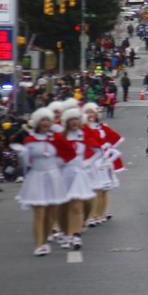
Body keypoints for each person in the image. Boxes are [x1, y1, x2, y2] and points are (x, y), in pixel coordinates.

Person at [12, 108, 75, 256]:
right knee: (39, 212)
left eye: (48, 120)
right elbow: (26, 163)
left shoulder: (56, 138)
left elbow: (69, 153)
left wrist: (59, 163)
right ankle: (39, 244)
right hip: (36, 177)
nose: (45, 123)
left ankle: (46, 240)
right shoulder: (30, 140)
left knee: (50, 213)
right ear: (37, 123)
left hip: (53, 177)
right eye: (42, 120)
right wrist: (22, 155)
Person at [59, 107, 97, 250]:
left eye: (76, 119)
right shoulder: (61, 137)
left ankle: (76, 234)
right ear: (67, 122)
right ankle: (66, 232)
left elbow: (98, 151)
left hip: (79, 173)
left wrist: (87, 163)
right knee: (63, 206)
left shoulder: (84, 134)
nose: (74, 122)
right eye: (71, 120)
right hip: (64, 174)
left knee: (77, 204)